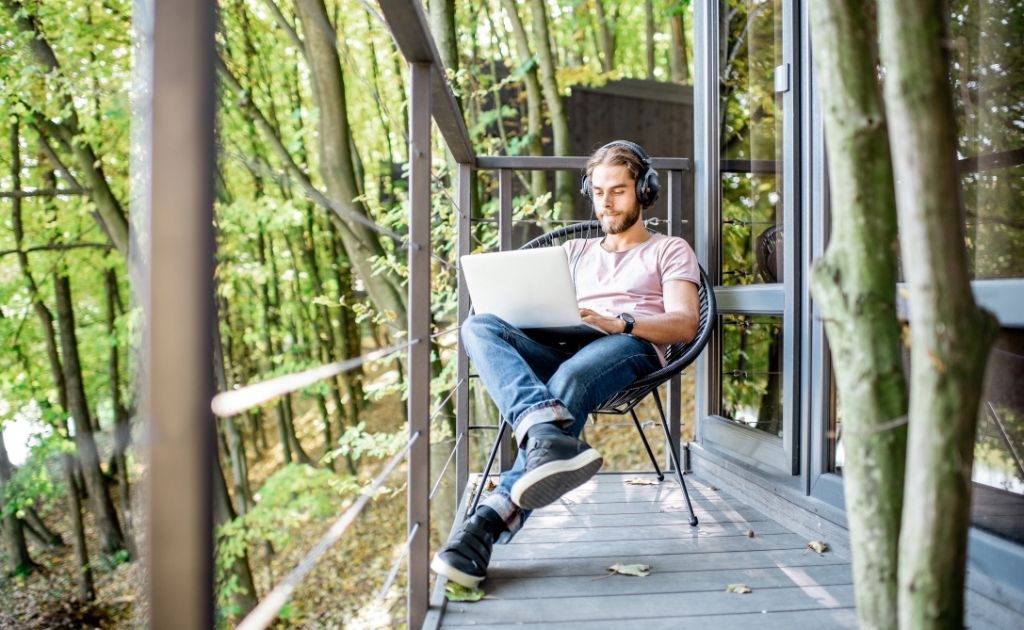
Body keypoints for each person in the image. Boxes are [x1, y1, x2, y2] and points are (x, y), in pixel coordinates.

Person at [431, 140, 701, 588]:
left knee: (570, 376)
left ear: (644, 190)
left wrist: (621, 323)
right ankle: (546, 434)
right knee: (478, 327)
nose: (606, 202)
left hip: (626, 345)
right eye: (598, 191)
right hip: (561, 340)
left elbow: (685, 324)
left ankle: (483, 528)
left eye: (617, 190)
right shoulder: (575, 251)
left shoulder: (669, 249)